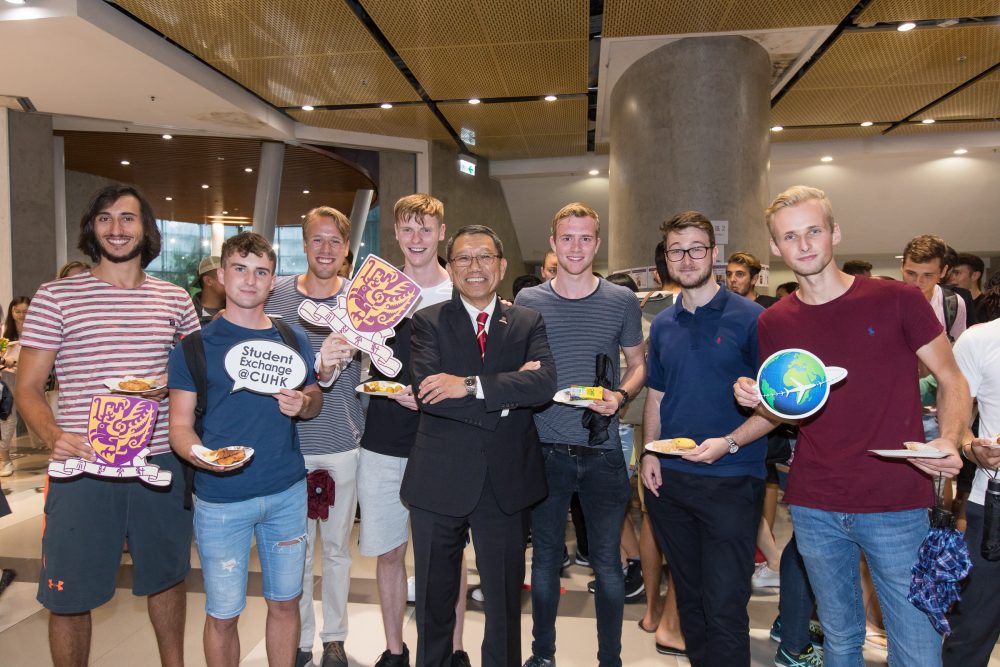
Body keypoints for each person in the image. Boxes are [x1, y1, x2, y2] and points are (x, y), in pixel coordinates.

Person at [734, 185, 969, 667]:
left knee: (917, 648)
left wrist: (950, 437)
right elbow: (786, 410)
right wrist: (754, 402)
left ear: (835, 233)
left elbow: (951, 379)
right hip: (816, 503)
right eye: (790, 236)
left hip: (896, 501)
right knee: (840, 641)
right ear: (776, 249)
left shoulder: (897, 299)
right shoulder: (773, 323)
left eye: (813, 231)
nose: (803, 245)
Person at [16, 184, 199, 667]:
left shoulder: (176, 299)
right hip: (83, 464)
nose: (116, 228)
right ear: (92, 228)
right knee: (69, 593)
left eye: (128, 218)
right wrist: (54, 437)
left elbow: (195, 378)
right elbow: (28, 386)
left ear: (147, 229)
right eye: (105, 218)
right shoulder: (56, 296)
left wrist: (175, 389)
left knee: (168, 577)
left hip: (158, 458)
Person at [401, 224, 556, 667]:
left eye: (485, 257)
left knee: (504, 605)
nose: (475, 267)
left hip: (505, 483)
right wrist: (508, 396)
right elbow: (429, 394)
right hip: (439, 480)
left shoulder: (527, 321)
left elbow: (544, 383)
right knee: (433, 598)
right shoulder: (426, 322)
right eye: (464, 258)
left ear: (502, 265)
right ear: (449, 268)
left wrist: (466, 384)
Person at [168, 231, 324, 667]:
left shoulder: (293, 339)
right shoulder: (194, 348)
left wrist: (305, 403)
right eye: (240, 269)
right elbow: (179, 427)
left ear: (273, 281)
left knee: (286, 603)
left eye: (261, 272)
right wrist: (204, 458)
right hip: (220, 501)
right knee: (222, 615)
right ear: (221, 275)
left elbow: (315, 399)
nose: (250, 280)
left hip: (286, 493)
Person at [640, 211, 773, 667]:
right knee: (691, 599)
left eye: (697, 248)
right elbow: (657, 394)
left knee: (725, 603)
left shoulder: (753, 318)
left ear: (713, 254)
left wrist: (730, 443)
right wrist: (649, 452)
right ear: (667, 259)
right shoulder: (662, 323)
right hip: (671, 481)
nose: (687, 258)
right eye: (677, 250)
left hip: (732, 478)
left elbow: (777, 408)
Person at [516, 203, 645, 667]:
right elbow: (517, 368)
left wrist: (620, 396)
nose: (576, 247)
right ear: (552, 242)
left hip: (602, 449)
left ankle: (610, 659)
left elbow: (638, 364)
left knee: (608, 564)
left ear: (598, 243)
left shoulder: (621, 301)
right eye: (567, 238)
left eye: (585, 238)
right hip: (545, 447)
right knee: (546, 560)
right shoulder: (530, 302)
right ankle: (542, 656)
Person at [354, 194, 470, 667]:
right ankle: (394, 650)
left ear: (442, 232)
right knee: (388, 549)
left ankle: (457, 649)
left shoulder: (461, 291)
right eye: (407, 229)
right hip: (383, 439)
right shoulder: (376, 290)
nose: (416, 238)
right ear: (396, 235)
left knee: (448, 555)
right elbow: (360, 358)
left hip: (445, 441)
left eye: (426, 229)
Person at [265, 206, 363, 667]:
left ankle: (336, 637)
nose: (326, 250)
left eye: (335, 242)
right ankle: (301, 639)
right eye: (317, 240)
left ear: (347, 249)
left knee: (340, 549)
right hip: (287, 445)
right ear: (303, 244)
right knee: (296, 551)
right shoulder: (276, 295)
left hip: (343, 440)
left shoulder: (361, 301)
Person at [942, 309, 1000, 666]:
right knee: (971, 632)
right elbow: (956, 418)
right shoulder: (981, 339)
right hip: (993, 504)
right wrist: (969, 446)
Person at [901, 235, 967, 342]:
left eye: (928, 275)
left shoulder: (953, 303)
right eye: (911, 273)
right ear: (902, 267)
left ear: (943, 271)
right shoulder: (888, 300)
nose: (918, 282)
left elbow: (958, 350)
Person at [0, 297, 30, 477]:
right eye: (17, 311)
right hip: (10, 378)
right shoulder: (5, 333)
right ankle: (5, 458)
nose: (21, 315)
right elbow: (1, 355)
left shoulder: (36, 330)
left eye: (25, 312)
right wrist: (6, 361)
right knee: (8, 418)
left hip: (32, 379)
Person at [947, 252, 985, 322]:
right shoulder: (948, 305)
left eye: (957, 273)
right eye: (950, 273)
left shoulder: (989, 306)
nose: (951, 277)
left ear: (975, 276)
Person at [191, 255, 225, 324]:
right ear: (208, 280)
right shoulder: (188, 315)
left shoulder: (240, 310)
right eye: (225, 276)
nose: (232, 281)